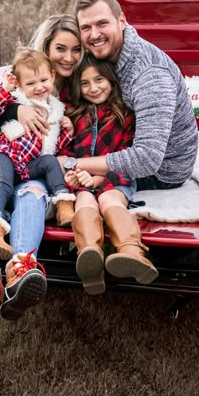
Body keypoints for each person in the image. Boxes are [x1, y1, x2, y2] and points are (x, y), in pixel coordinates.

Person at [0, 14, 82, 331]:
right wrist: (15, 109)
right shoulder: (18, 80)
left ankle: (20, 271)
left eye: (76, 49)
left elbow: (67, 146)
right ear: (46, 49)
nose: (69, 56)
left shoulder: (81, 89)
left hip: (30, 170)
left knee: (31, 196)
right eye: (60, 48)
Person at [69, 0, 198, 191]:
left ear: (122, 21)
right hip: (122, 146)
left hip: (162, 172)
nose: (94, 34)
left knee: (63, 180)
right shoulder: (102, 55)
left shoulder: (149, 73)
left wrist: (71, 163)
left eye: (102, 23)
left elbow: (147, 159)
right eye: (86, 27)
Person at [61, 54, 159, 295]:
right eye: (85, 83)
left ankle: (132, 250)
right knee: (84, 199)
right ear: (77, 86)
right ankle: (89, 256)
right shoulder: (74, 115)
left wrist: (98, 178)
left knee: (109, 199)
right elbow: (64, 153)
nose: (93, 88)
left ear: (112, 80)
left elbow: (129, 155)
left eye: (99, 79)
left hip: (116, 176)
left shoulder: (125, 114)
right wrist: (73, 174)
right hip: (82, 179)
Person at [0, 47, 75, 259]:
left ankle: (64, 204)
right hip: (1, 155)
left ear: (53, 76)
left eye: (43, 80)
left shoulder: (56, 109)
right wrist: (4, 88)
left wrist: (69, 130)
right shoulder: (15, 100)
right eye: (30, 83)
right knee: (3, 183)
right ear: (19, 84)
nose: (39, 87)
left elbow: (54, 145)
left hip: (26, 165)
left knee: (49, 161)